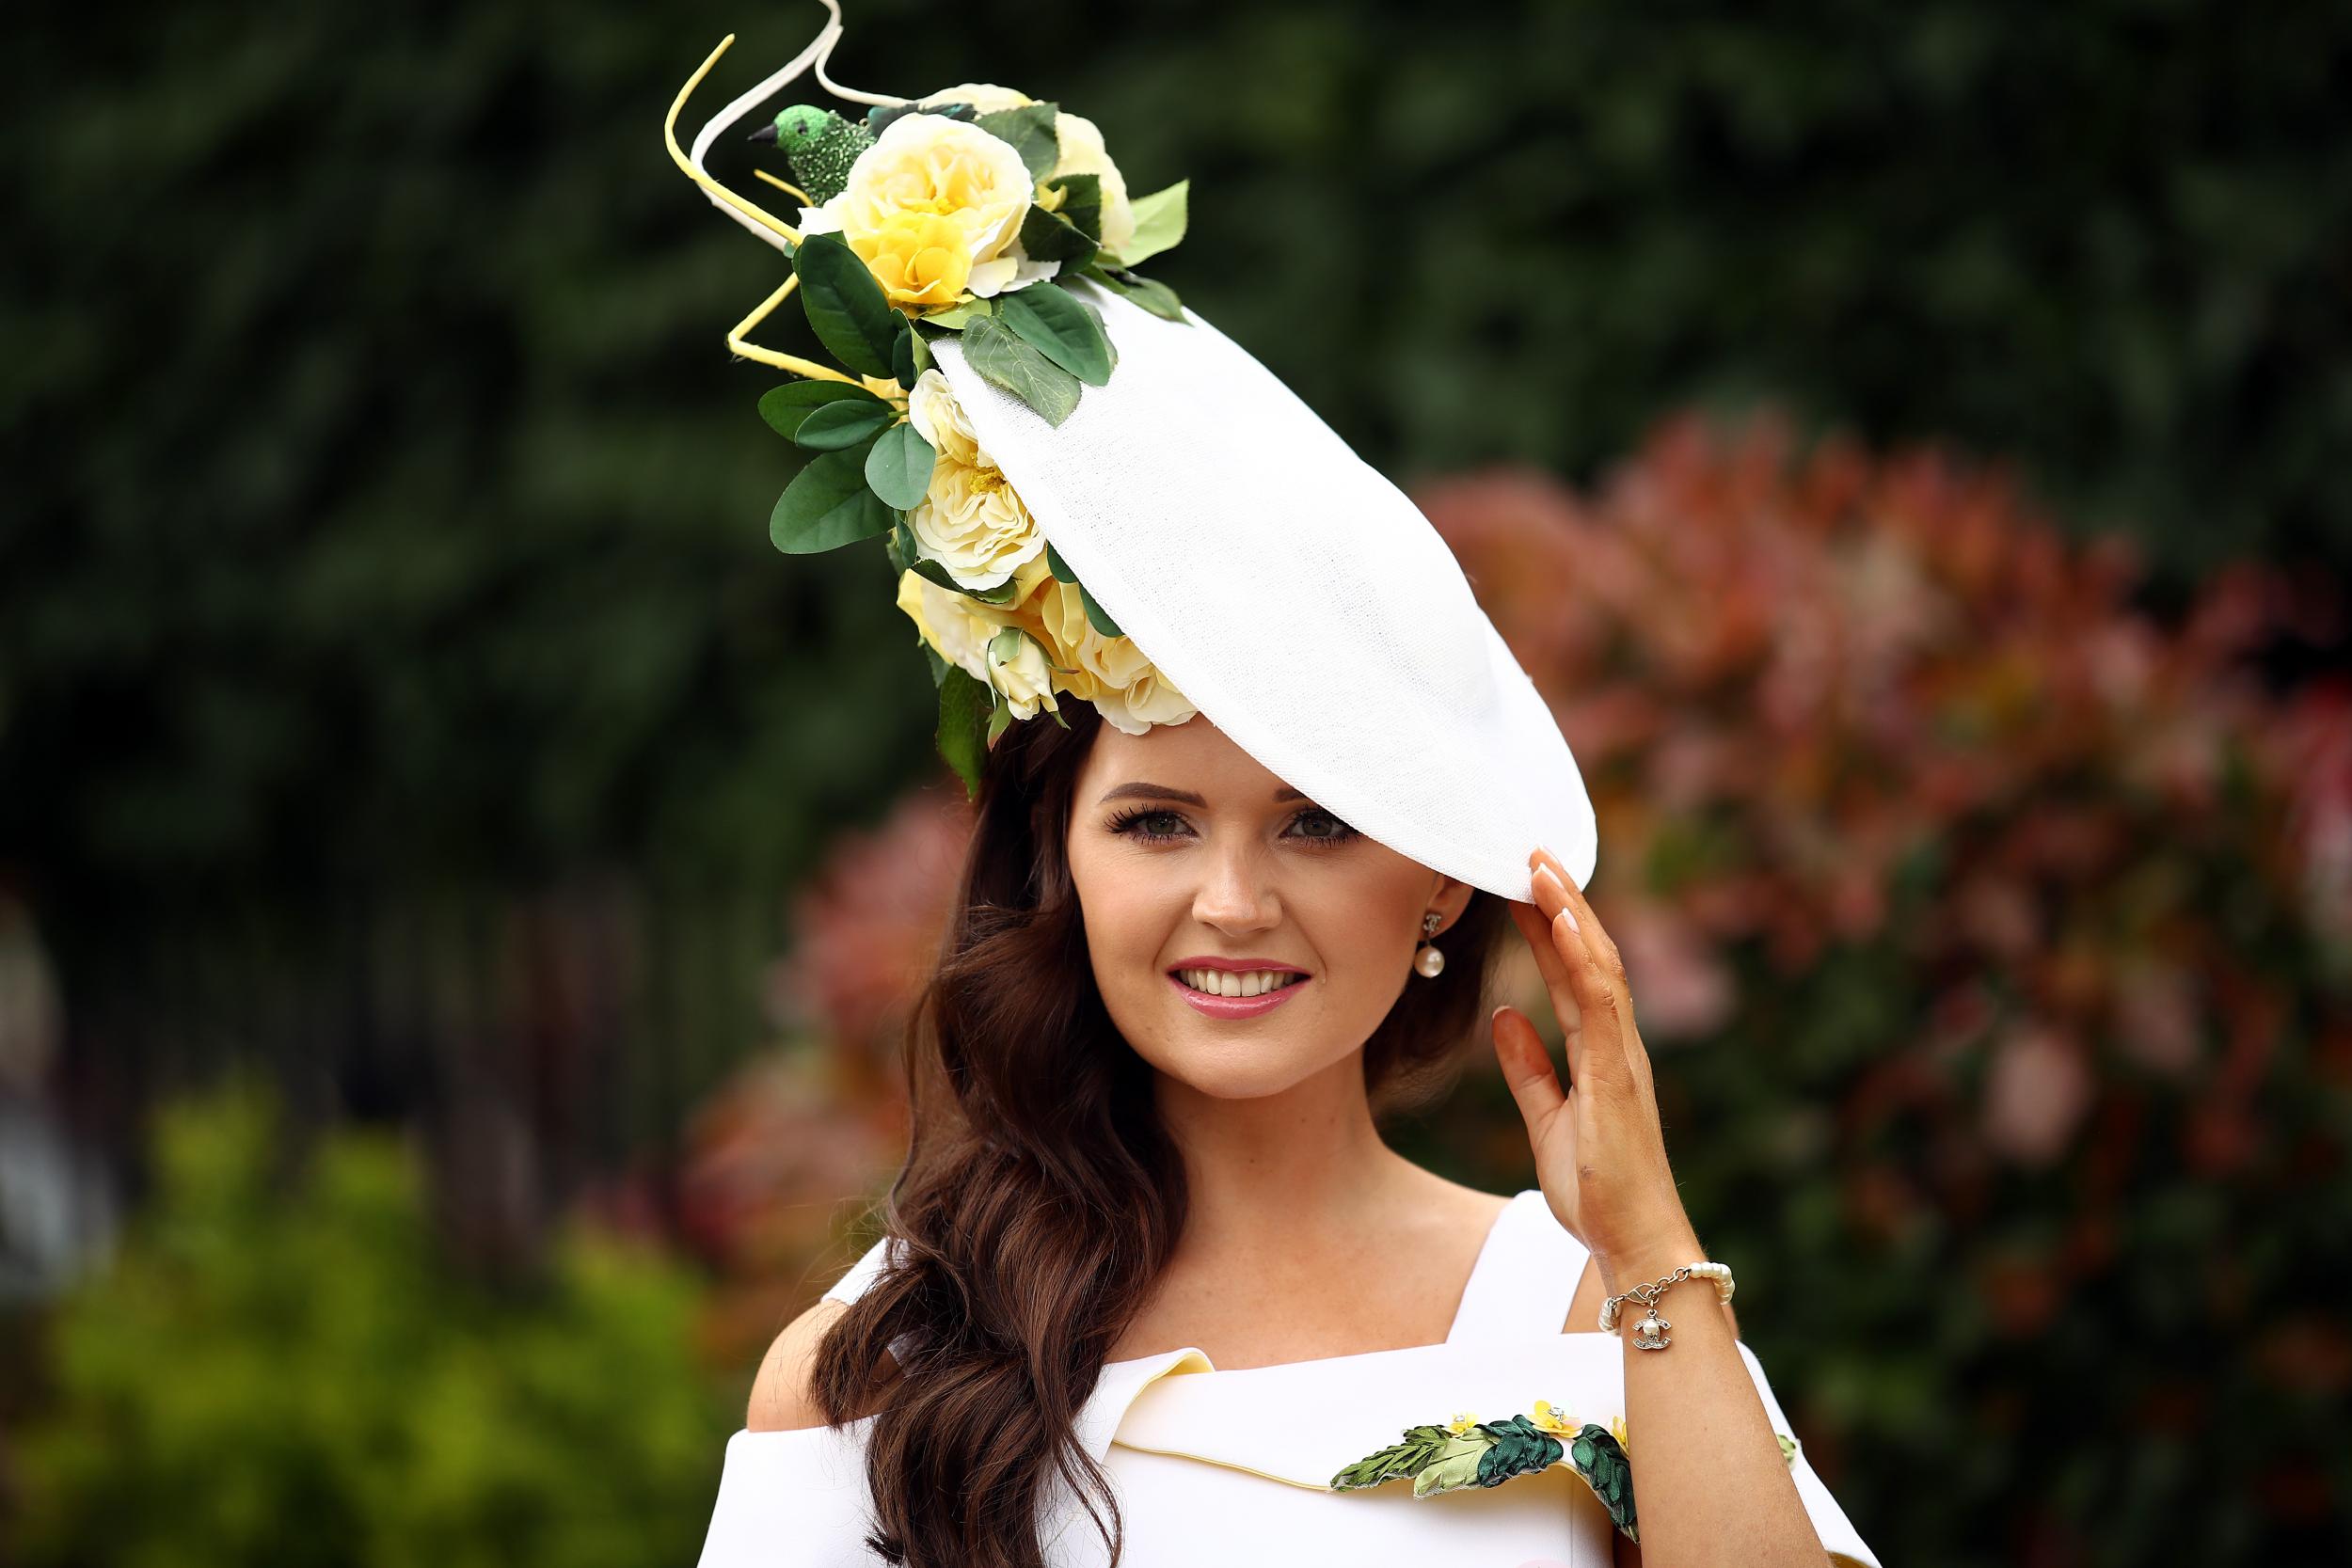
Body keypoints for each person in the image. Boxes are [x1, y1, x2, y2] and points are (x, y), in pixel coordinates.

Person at [669, 8, 1882, 1565]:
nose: (1231, 903)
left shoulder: (1587, 1316)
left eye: (1317, 823)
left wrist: (1648, 1247)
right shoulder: (883, 1374)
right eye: (1156, 821)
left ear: (1441, 872)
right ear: (1063, 864)